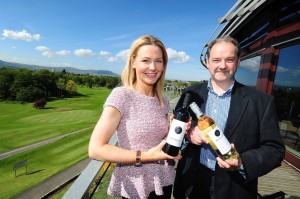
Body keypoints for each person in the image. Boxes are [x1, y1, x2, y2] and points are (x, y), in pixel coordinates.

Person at [173, 35, 285, 199]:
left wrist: (241, 162)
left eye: (230, 59)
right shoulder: (189, 94)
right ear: (208, 62)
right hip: (192, 184)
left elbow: (275, 150)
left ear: (238, 61)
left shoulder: (261, 101)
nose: (222, 66)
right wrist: (187, 135)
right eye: (216, 60)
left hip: (235, 188)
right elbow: (175, 136)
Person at [88, 35, 181, 199]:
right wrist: (144, 157)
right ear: (133, 62)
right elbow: (95, 149)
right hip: (136, 186)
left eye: (158, 61)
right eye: (145, 60)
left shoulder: (163, 99)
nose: (153, 67)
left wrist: (173, 130)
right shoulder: (121, 96)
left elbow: (157, 139)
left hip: (164, 180)